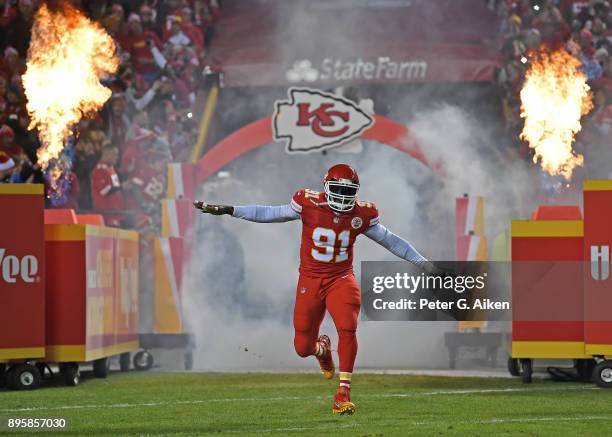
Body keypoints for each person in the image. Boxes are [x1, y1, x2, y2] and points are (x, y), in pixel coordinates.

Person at [194, 163, 439, 415]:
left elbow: (390, 240)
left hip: (341, 278)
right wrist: (231, 210)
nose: (343, 197)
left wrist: (422, 262)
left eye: (348, 192)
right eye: (338, 190)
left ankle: (343, 393)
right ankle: (321, 349)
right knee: (302, 347)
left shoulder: (362, 215)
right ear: (326, 186)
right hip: (310, 280)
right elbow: (269, 213)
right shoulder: (308, 203)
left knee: (347, 326)